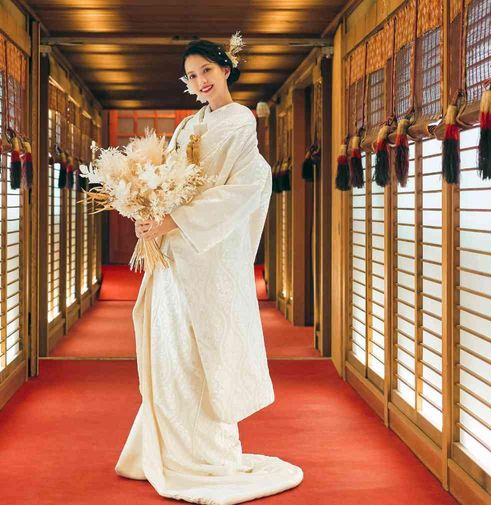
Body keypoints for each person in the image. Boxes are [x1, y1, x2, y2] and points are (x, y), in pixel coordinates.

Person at [114, 35, 304, 505]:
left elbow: (242, 190)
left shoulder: (241, 124)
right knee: (170, 349)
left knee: (202, 354)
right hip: (175, 258)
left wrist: (175, 218)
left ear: (226, 69)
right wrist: (148, 211)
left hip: (206, 254)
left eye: (207, 71)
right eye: (192, 75)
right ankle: (169, 446)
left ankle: (206, 454)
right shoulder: (187, 127)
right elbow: (168, 181)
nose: (200, 81)